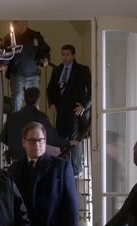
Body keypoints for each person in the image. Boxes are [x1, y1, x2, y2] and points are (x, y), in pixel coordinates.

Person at [0, 87, 77, 162]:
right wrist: (68, 143)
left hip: (15, 156)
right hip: (32, 156)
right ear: (37, 100)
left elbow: (2, 137)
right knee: (60, 156)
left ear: (25, 99)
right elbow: (52, 139)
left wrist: (15, 144)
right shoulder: (41, 117)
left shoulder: (13, 116)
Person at [47, 44, 92, 175]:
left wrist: (84, 105)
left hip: (75, 109)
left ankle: (76, 169)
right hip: (61, 110)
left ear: (73, 55)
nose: (65, 57)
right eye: (63, 54)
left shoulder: (82, 70)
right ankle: (66, 168)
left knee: (74, 138)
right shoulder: (57, 70)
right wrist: (52, 103)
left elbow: (91, 90)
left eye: (67, 55)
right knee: (61, 137)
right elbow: (50, 88)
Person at [0, 21, 51, 113]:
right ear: (15, 25)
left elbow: (45, 50)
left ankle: (34, 120)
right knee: (17, 97)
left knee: (34, 100)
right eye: (19, 24)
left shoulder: (35, 36)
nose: (22, 26)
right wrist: (2, 63)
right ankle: (16, 119)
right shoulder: (10, 37)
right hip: (17, 74)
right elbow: (4, 52)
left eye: (24, 23)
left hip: (33, 74)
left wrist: (46, 59)